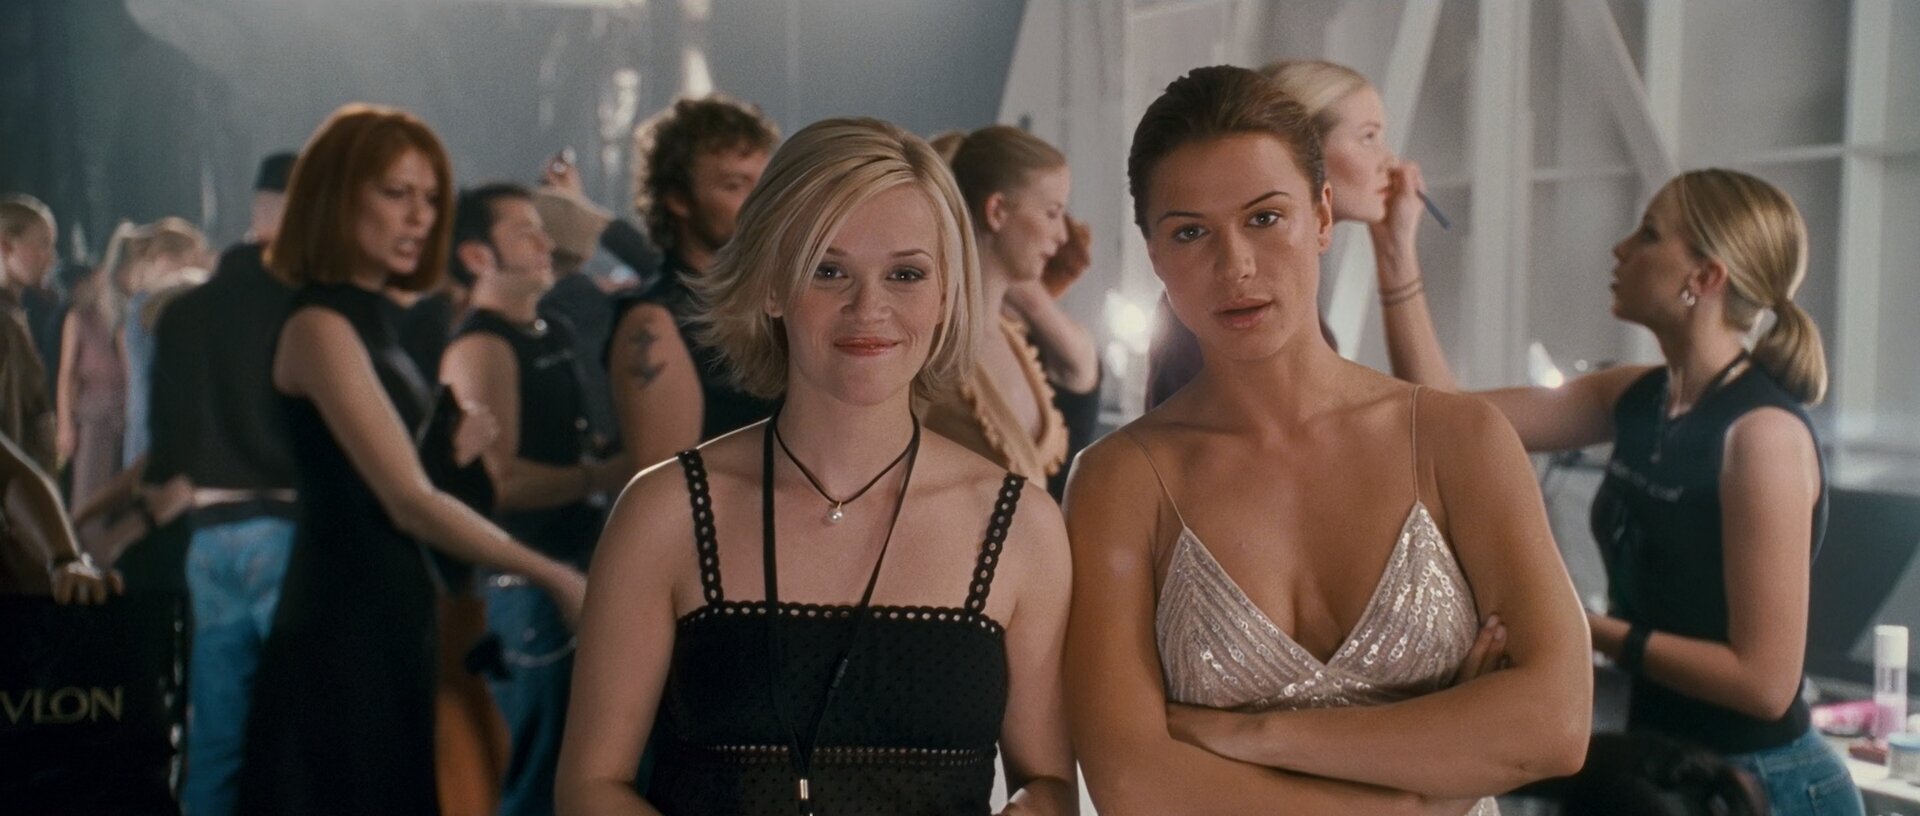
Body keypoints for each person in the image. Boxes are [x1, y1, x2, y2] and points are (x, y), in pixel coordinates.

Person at [1063, 66, 1591, 815]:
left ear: (1320, 216)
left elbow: (1556, 726)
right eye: (1190, 232)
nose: (1235, 266)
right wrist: (1419, 796)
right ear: (1154, 254)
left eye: (1264, 218)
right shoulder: (1119, 480)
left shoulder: (1457, 439)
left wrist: (1261, 734)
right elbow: (1130, 783)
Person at [556, 117, 1077, 815]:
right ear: (773, 286)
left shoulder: (1020, 527)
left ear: (946, 295)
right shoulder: (666, 511)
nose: (869, 308)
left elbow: (1049, 783)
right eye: (828, 271)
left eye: (906, 274)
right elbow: (590, 786)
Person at [1374, 167, 1861, 816]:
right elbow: (1448, 415)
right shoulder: (1636, 397)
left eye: (1649, 234)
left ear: (1704, 278)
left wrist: (1581, 628)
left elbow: (1764, 684)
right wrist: (1394, 251)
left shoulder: (1760, 437)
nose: (1621, 248)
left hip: (1765, 785)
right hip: (1666, 765)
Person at [237, 103, 588, 814]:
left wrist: (452, 452)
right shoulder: (320, 324)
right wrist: (552, 573)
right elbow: (407, 502)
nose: (420, 216)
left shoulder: (374, 321)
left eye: (429, 197)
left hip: (393, 624)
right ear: (338, 198)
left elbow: (410, 484)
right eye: (397, 193)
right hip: (340, 634)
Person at [440, 182, 628, 815]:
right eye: (524, 232)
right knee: (541, 774)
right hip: (527, 586)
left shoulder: (553, 329)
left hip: (576, 565)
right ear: (476, 256)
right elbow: (501, 483)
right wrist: (606, 474)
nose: (545, 242)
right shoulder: (482, 345)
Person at [144, 151, 302, 816]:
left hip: (209, 536)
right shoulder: (304, 307)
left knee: (214, 737)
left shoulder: (184, 313)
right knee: (304, 729)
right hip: (289, 528)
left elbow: (165, 454)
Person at [1145, 59, 1419, 409]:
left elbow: (1429, 423)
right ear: (1304, 150)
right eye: (1368, 137)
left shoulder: (1289, 304)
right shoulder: (1227, 308)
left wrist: (1395, 246)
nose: (1391, 162)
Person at [606, 95, 778, 472]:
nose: (761, 203)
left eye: (765, 183)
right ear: (679, 199)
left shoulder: (773, 301)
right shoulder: (654, 322)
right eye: (735, 185)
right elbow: (662, 487)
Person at [922, 126, 1099, 488]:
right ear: (997, 211)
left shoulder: (1014, 340)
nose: (1062, 235)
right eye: (1052, 213)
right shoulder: (931, 349)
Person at [56, 225, 134, 508]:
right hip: (94, 417)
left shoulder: (132, 315)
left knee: (124, 499)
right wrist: (65, 425)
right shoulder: (80, 318)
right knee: (90, 494)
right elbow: (67, 375)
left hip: (129, 416)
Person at [0, 195, 65, 397]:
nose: (51, 257)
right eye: (43, 244)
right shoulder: (5, 320)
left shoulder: (15, 314)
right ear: (6, 245)